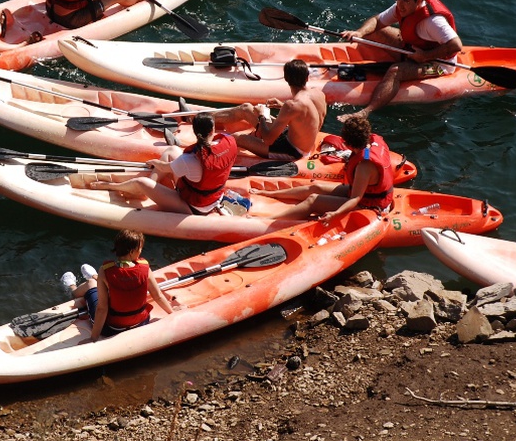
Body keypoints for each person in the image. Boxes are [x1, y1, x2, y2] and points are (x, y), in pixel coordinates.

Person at [337, 0, 463, 122]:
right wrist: (359, 33)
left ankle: (365, 112)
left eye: (406, 1)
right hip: (413, 48)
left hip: (438, 63)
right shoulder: (402, 6)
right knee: (373, 31)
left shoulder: (434, 21)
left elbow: (456, 45)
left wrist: (425, 56)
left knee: (395, 71)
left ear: (418, 1)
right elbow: (377, 21)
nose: (400, 6)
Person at [89, 113, 238, 215]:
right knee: (172, 149)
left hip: (194, 207)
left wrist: (154, 162)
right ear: (213, 129)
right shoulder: (229, 142)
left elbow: (164, 167)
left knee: (141, 182)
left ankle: (112, 186)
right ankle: (147, 192)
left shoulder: (189, 160)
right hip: (213, 197)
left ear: (194, 131)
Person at [259, 116, 394, 222]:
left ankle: (269, 220)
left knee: (313, 200)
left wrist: (335, 214)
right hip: (364, 194)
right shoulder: (371, 144)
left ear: (348, 143)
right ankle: (271, 194)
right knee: (315, 188)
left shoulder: (364, 166)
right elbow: (365, 156)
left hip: (370, 205)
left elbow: (355, 198)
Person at [60, 230, 176, 342]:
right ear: (131, 251)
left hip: (111, 329)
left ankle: (72, 288)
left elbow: (102, 309)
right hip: (141, 322)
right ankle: (94, 277)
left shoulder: (105, 271)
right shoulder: (145, 268)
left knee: (91, 284)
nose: (141, 251)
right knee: (104, 284)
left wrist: (93, 338)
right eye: (140, 248)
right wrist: (172, 313)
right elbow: (158, 296)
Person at [212, 59, 327, 159]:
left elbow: (268, 140)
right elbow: (309, 116)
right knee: (246, 108)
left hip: (293, 150)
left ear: (286, 78)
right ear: (307, 77)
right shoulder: (319, 94)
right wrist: (281, 106)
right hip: (291, 136)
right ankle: (207, 118)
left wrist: (261, 116)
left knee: (237, 138)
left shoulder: (292, 106)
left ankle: (209, 150)